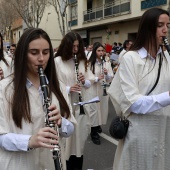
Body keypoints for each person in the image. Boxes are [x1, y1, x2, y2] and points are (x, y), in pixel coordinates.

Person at [0, 28, 75, 170]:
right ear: (23, 54)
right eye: (34, 53)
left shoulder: (57, 86)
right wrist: (29, 141)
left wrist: (61, 122)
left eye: (46, 52)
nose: (41, 58)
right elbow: (1, 137)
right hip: (19, 164)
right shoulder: (4, 88)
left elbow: (70, 128)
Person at [108, 8, 170, 170]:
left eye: (168, 25)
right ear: (148, 28)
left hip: (164, 131)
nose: (165, 30)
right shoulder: (131, 58)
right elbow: (132, 102)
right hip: (140, 133)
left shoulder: (167, 57)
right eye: (160, 25)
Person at [54, 32, 95, 170]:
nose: (76, 49)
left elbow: (90, 80)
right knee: (67, 141)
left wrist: (85, 81)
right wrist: (68, 88)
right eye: (73, 46)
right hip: (66, 105)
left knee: (80, 141)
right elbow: (53, 84)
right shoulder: (58, 61)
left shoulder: (82, 60)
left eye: (78, 46)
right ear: (66, 46)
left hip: (81, 105)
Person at [88, 42, 113, 145]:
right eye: (99, 51)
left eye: (102, 50)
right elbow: (87, 77)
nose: (101, 52)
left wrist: (107, 74)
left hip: (103, 88)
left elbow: (111, 77)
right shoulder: (90, 63)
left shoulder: (107, 62)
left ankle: (98, 125)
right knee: (94, 110)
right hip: (93, 89)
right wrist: (97, 78)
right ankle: (93, 132)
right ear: (95, 51)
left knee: (102, 109)